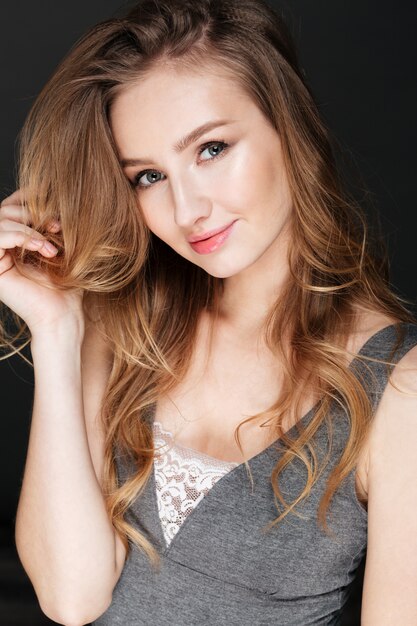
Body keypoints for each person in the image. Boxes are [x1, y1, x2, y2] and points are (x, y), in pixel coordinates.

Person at [1, 0, 416, 623]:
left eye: (212, 148)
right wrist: (58, 331)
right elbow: (70, 597)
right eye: (147, 177)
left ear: (289, 126)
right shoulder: (123, 329)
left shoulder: (396, 386)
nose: (187, 208)